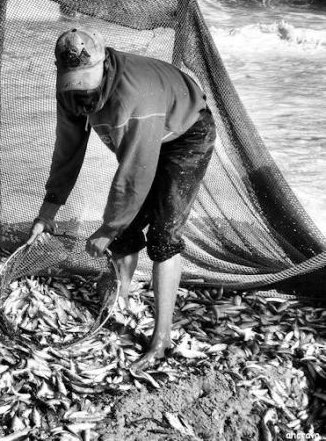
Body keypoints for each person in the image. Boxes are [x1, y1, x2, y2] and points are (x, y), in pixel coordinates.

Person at [27, 29, 216, 371]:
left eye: (87, 83)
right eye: (75, 84)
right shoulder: (69, 89)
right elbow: (68, 148)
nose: (82, 93)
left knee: (164, 236)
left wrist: (108, 229)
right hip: (144, 139)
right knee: (124, 229)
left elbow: (135, 174)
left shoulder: (134, 97)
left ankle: (162, 339)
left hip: (185, 136)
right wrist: (48, 210)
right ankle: (119, 302)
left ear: (103, 65)